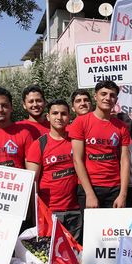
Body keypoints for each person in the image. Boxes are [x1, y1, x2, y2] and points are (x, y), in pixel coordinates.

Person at [69, 80, 131, 211]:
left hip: (115, 188)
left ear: (116, 99)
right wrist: (89, 193)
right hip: (90, 188)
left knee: (114, 230)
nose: (108, 98)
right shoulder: (80, 122)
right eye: (103, 94)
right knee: (91, 231)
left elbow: (124, 161)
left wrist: (123, 194)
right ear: (95, 96)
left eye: (112, 95)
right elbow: (77, 160)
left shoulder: (121, 127)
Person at [25, 100, 82, 240]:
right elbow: (32, 183)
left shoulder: (76, 141)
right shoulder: (39, 144)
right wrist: (35, 213)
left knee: (75, 256)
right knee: (51, 257)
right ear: (48, 117)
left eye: (63, 114)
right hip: (49, 211)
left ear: (69, 117)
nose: (59, 117)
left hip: (75, 210)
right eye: (55, 113)